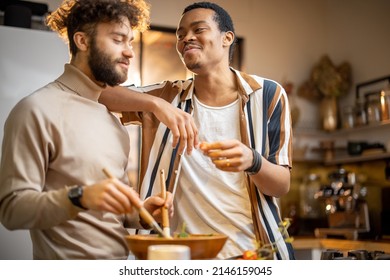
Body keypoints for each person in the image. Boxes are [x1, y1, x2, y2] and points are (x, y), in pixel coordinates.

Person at [99, 2, 295, 260]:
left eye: (198, 29)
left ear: (227, 38)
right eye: (180, 35)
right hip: (182, 256)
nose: (185, 38)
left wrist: (252, 161)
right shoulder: (168, 97)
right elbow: (99, 93)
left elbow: (281, 185)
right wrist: (156, 104)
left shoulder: (268, 95)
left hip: (252, 254)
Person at [0, 0, 178, 260]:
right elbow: (11, 211)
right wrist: (79, 196)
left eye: (130, 41)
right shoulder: (35, 109)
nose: (129, 52)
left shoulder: (112, 122)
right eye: (118, 40)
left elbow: (105, 212)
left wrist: (139, 214)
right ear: (82, 41)